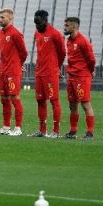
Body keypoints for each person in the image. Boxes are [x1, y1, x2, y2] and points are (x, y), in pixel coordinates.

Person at [0, 8, 28, 136]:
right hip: (3, 70)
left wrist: (19, 64)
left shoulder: (15, 33)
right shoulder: (0, 33)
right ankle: (6, 127)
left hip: (13, 70)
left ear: (10, 18)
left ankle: (18, 128)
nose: (0, 19)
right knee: (4, 99)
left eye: (3, 17)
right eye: (0, 17)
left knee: (15, 98)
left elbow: (23, 52)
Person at [32, 10, 66, 138]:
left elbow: (62, 52)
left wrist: (57, 68)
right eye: (35, 23)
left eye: (39, 22)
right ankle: (42, 130)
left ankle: (56, 131)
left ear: (45, 20)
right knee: (40, 101)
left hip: (50, 72)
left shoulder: (55, 34)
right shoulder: (37, 33)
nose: (37, 25)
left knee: (54, 101)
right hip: (39, 72)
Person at [63, 17, 96, 140]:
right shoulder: (69, 41)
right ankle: (73, 131)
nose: (65, 28)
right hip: (71, 77)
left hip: (82, 77)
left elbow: (91, 59)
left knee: (85, 104)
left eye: (67, 26)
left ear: (74, 26)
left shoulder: (82, 41)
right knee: (72, 105)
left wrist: (90, 71)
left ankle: (90, 132)